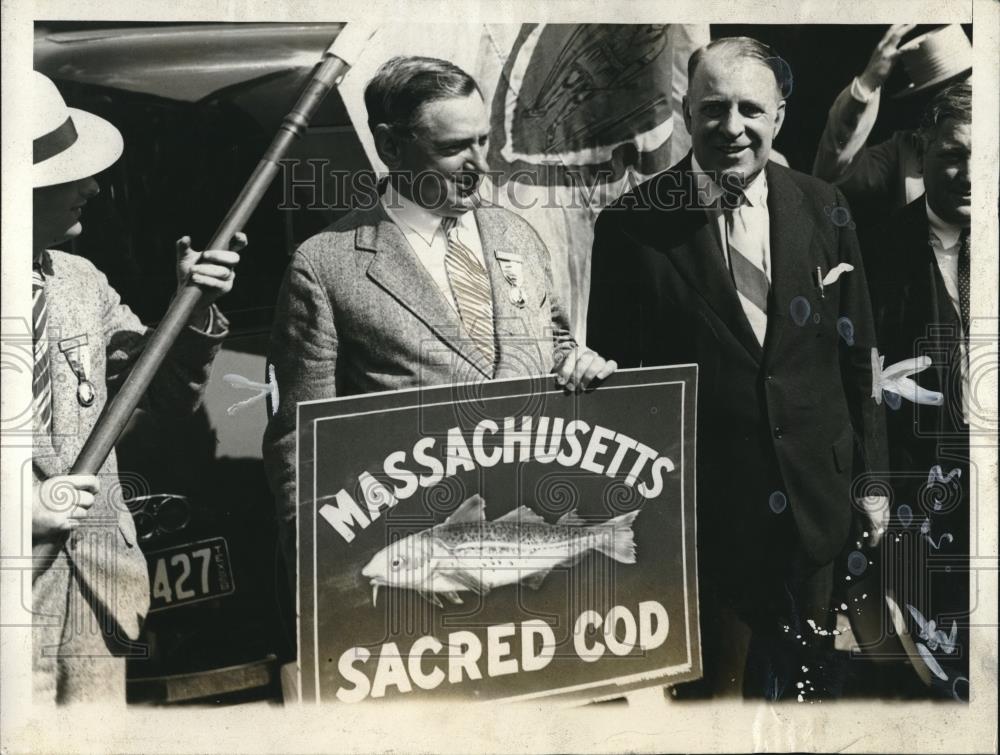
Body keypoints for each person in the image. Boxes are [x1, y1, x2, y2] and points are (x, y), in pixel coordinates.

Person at [586, 37, 889, 699]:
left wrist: (872, 481)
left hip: (815, 505)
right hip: (707, 522)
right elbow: (618, 388)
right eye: (713, 108)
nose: (732, 128)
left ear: (779, 115)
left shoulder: (825, 207)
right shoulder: (630, 227)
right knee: (717, 702)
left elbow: (857, 354)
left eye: (751, 109)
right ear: (685, 110)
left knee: (808, 699)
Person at [263, 56, 616, 579]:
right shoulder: (326, 264)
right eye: (453, 148)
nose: (481, 164)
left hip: (531, 545)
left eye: (483, 140)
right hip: (415, 563)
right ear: (389, 146)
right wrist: (322, 571)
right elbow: (301, 438)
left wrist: (578, 364)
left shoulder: (515, 235)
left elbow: (555, 341)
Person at [30, 70, 244, 703]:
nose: (93, 188)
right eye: (69, 175)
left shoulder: (78, 280)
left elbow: (164, 393)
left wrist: (192, 311)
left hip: (99, 591)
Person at [862, 81, 972, 699]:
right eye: (950, 154)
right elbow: (838, 367)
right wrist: (873, 380)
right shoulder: (875, 249)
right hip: (919, 495)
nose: (965, 174)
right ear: (922, 152)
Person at [811, 24, 971, 226]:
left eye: (967, 85)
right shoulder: (904, 150)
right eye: (949, 94)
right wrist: (868, 82)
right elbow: (831, 176)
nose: (961, 101)